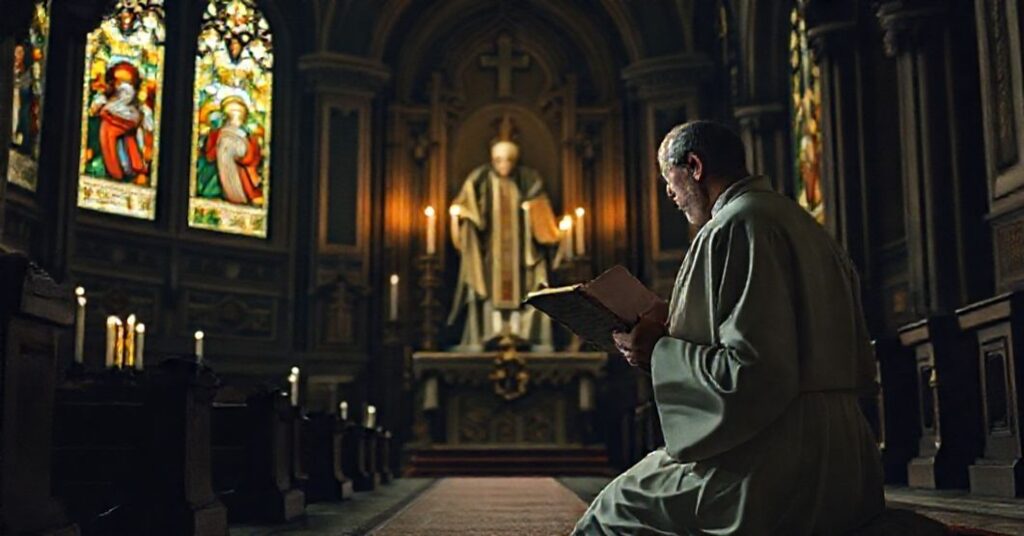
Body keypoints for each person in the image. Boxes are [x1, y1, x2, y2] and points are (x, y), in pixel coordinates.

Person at [573, 120, 884, 534]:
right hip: (849, 460)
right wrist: (678, 319)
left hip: (779, 459)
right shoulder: (799, 221)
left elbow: (754, 375)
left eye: (670, 180)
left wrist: (658, 352)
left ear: (695, 167)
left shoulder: (735, 226)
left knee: (614, 510)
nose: (670, 194)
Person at [447, 135, 561, 350]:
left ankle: (522, 333)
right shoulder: (481, 180)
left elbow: (541, 210)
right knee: (490, 287)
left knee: (524, 289)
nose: (503, 165)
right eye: (498, 160)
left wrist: (532, 212)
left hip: (521, 253)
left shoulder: (527, 181)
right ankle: (491, 333)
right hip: (492, 252)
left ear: (515, 161)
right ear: (492, 160)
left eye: (508, 160)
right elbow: (468, 206)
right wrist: (463, 215)